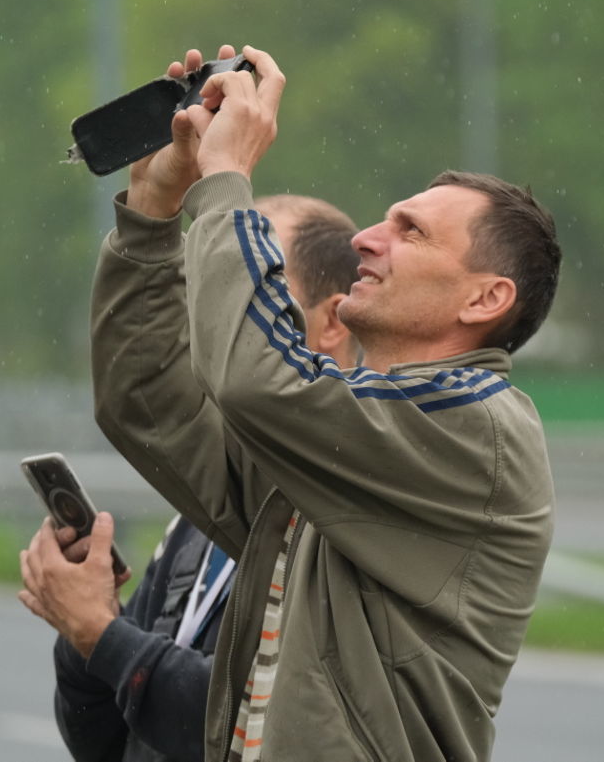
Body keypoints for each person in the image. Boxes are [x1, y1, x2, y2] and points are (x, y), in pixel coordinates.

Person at [24, 43, 562, 762]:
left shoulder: (478, 427)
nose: (367, 239)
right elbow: (148, 400)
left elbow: (255, 380)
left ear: (486, 297)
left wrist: (227, 176)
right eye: (385, 220)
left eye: (411, 231)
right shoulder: (352, 440)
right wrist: (154, 207)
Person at [26, 196, 361, 762]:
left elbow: (257, 724)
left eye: (245, 290)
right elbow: (107, 742)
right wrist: (86, 630)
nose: (210, 313)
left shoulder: (344, 507)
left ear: (331, 320)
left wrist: (102, 636)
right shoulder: (206, 502)